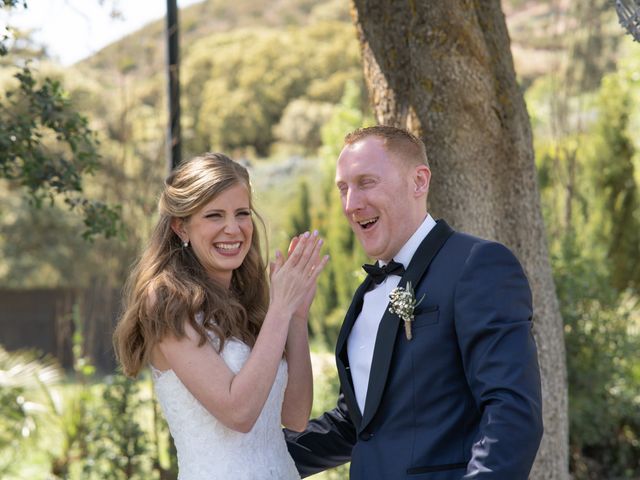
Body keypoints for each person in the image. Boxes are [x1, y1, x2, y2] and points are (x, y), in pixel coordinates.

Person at [285, 126, 543, 479]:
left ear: (419, 181)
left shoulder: (477, 264)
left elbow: (512, 413)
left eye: (366, 182)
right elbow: (357, 424)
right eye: (343, 188)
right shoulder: (366, 294)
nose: (351, 204)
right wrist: (249, 457)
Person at [113, 153, 328, 480]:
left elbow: (296, 416)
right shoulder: (166, 300)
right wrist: (280, 309)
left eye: (242, 213)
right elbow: (238, 413)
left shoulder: (247, 301)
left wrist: (295, 316)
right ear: (180, 226)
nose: (233, 228)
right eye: (214, 215)